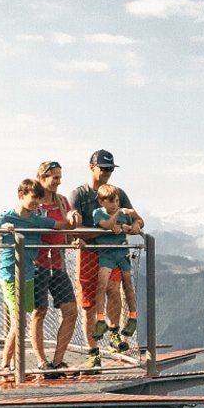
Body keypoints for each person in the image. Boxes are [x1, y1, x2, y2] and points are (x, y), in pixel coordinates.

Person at [0, 179, 77, 380]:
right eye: (34, 198)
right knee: (19, 321)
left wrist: (74, 219)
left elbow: (61, 225)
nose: (37, 202)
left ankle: (10, 364)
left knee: (21, 320)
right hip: (10, 275)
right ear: (21, 194)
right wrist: (1, 231)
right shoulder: (7, 217)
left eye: (39, 199)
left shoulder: (36, 219)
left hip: (28, 275)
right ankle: (5, 365)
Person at [68, 149, 144, 370]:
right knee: (89, 304)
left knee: (114, 290)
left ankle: (113, 334)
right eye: (104, 168)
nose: (108, 173)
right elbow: (74, 228)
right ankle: (93, 351)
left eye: (111, 169)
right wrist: (106, 231)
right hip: (90, 254)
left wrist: (133, 227)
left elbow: (138, 219)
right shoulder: (80, 194)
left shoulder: (116, 192)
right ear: (91, 167)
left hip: (113, 251)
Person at [31, 160, 78, 376]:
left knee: (70, 311)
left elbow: (67, 229)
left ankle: (58, 360)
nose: (58, 182)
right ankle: (42, 360)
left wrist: (75, 237)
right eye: (54, 177)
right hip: (37, 263)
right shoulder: (35, 203)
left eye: (59, 177)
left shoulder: (62, 202)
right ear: (42, 178)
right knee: (39, 311)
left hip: (57, 263)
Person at [91, 183, 141, 343]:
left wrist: (133, 224)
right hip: (106, 254)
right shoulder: (98, 213)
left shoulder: (123, 214)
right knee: (102, 285)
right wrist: (117, 218)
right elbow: (106, 225)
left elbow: (137, 222)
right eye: (111, 202)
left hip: (122, 251)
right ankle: (100, 319)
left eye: (117, 201)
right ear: (101, 202)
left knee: (128, 284)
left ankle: (133, 316)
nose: (115, 205)